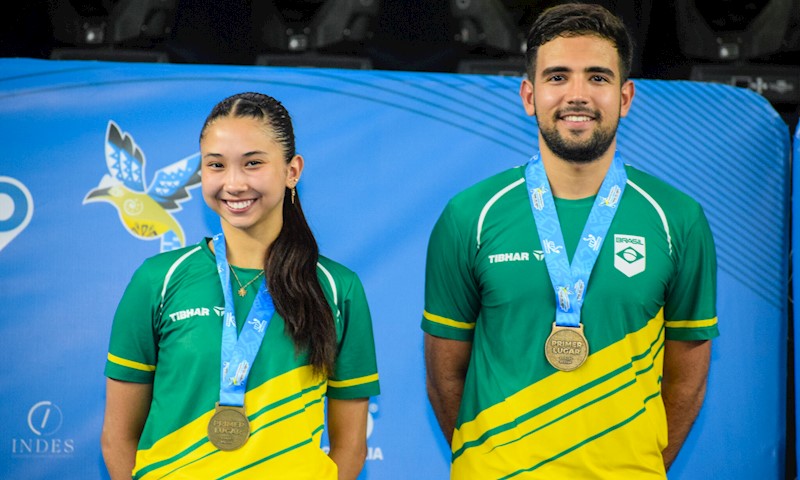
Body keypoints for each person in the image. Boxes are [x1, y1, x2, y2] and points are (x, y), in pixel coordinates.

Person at [421, 3, 718, 478]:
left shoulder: (677, 219)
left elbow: (688, 377)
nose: (577, 95)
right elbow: (444, 376)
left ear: (625, 98)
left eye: (597, 78)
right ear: (528, 95)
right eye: (557, 77)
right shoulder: (470, 215)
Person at [101, 92, 380, 480]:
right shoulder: (158, 279)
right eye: (216, 165)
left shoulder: (337, 288)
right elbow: (118, 438)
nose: (233, 183)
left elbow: (351, 445)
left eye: (253, 164)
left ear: (292, 170)